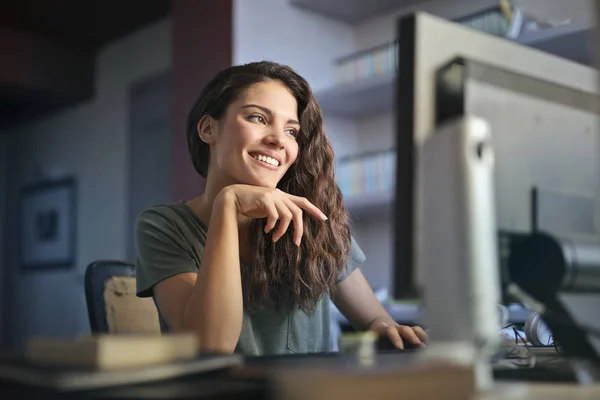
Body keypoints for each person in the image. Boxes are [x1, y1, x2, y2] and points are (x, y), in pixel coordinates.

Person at [135, 60, 427, 356]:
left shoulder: (312, 219)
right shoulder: (164, 225)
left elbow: (376, 319)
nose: (277, 140)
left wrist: (385, 329)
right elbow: (211, 345)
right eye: (258, 118)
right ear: (208, 129)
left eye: (291, 131)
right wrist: (228, 203)